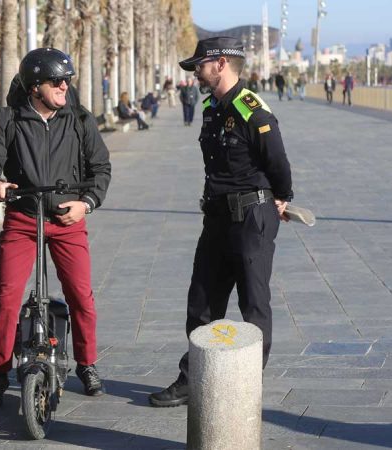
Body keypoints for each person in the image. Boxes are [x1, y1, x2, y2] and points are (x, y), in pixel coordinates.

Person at [148, 36, 292, 408]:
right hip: (216, 218)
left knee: (253, 304)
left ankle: (243, 386)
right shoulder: (211, 107)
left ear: (221, 64)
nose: (196, 71)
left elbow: (277, 162)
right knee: (202, 303)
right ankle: (192, 379)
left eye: (200, 64)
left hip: (250, 217)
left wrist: (281, 198)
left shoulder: (251, 109)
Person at [0, 47, 112, 408]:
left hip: (67, 220)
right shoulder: (10, 120)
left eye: (67, 80)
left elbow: (101, 169)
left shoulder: (80, 119)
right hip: (23, 218)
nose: (65, 86)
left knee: (81, 295)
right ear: (35, 87)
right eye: (56, 81)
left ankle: (88, 364)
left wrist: (86, 203)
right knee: (6, 296)